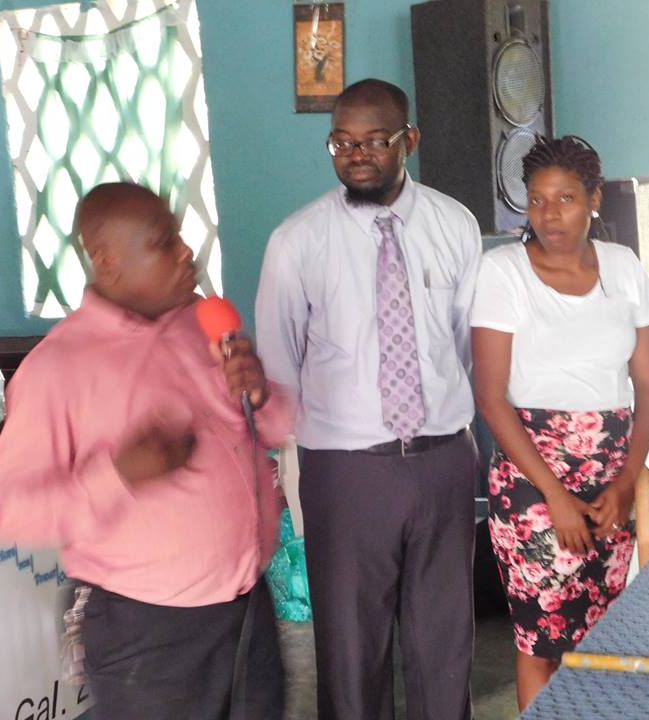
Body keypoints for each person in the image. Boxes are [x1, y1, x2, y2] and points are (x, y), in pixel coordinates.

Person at [0, 182, 290, 719]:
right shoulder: (56, 369)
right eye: (164, 242)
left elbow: (280, 427)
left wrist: (260, 393)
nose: (186, 252)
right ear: (108, 260)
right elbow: (11, 511)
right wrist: (120, 474)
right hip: (149, 636)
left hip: (246, 610)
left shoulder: (201, 326)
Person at [255, 78, 481, 720]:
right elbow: (278, 365)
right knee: (352, 653)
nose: (356, 155)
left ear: (410, 140)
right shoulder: (297, 241)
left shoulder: (454, 224)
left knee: (444, 646)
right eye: (342, 142)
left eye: (375, 141)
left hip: (442, 460)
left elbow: (466, 343)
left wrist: (441, 423)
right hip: (346, 471)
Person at [470, 136, 649, 709]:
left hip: (610, 479)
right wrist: (553, 496)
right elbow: (491, 397)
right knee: (542, 643)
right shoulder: (503, 272)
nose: (549, 214)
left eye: (565, 198)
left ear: (594, 200)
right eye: (537, 200)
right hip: (532, 482)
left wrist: (627, 481)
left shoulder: (623, 267)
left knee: (598, 639)